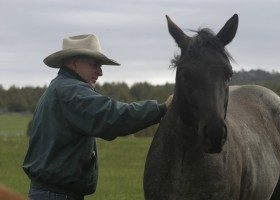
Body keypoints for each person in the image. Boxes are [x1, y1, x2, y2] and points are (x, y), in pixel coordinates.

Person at [22, 34, 173, 200]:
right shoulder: (72, 92)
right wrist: (161, 109)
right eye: (95, 65)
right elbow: (111, 116)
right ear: (74, 63)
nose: (100, 72)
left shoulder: (60, 87)